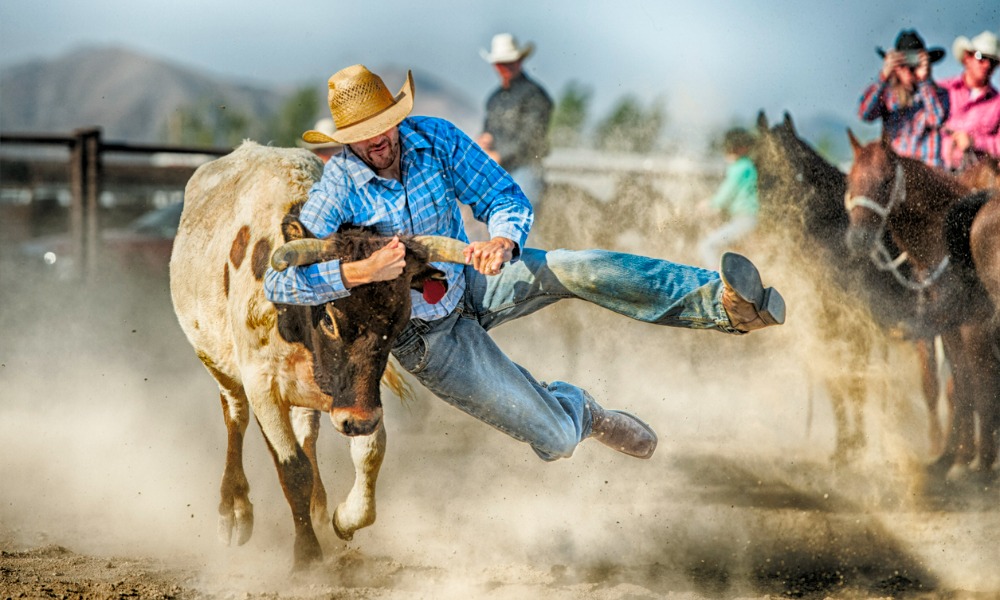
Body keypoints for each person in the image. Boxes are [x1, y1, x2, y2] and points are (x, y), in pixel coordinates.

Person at [264, 64, 786, 463]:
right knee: (557, 440)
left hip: (472, 276)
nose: (375, 139)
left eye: (383, 123)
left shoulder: (435, 138)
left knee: (578, 266)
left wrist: (502, 240)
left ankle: (722, 304)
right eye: (360, 133)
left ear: (397, 116)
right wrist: (357, 273)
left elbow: (504, 196)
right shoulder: (336, 189)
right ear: (344, 140)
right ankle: (583, 412)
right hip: (425, 336)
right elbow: (278, 282)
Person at [476, 33, 553, 206]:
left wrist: (499, 155)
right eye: (501, 63)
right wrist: (484, 139)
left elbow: (531, 137)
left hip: (525, 167)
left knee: (522, 213)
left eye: (509, 62)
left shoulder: (535, 95)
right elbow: (488, 128)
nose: (506, 67)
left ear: (519, 61)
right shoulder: (494, 98)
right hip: (497, 169)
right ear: (495, 65)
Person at [858, 29, 950, 168]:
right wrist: (883, 76)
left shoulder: (939, 94)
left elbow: (936, 120)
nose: (908, 69)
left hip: (928, 172)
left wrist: (924, 81)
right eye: (902, 64)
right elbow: (865, 114)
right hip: (896, 170)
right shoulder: (887, 95)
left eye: (913, 63)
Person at [698, 128, 760, 268]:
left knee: (707, 246)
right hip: (746, 220)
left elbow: (725, 196)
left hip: (744, 221)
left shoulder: (740, 167)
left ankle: (717, 284)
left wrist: (708, 204)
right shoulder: (747, 166)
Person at [940, 30, 1000, 170]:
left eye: (993, 61)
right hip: (936, 171)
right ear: (967, 57)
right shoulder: (943, 89)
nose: (987, 65)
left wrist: (974, 141)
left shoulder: (997, 104)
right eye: (981, 57)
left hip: (974, 178)